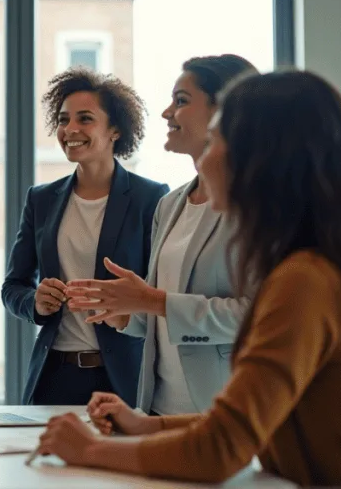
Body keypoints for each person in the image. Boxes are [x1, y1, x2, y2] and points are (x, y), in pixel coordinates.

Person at [38, 70, 341, 486]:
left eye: (220, 140)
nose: (205, 158)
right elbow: (251, 418)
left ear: (262, 160)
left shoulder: (307, 280)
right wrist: (145, 425)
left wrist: (89, 450)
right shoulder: (312, 269)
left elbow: (219, 450)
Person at [63, 55, 258, 414]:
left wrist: (152, 300)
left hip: (223, 414)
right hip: (158, 409)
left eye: (181, 101)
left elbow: (259, 317)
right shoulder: (171, 205)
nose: (167, 113)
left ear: (225, 111)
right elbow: (160, 318)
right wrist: (124, 313)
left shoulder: (256, 204)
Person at [2, 67, 168, 406]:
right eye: (63, 120)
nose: (70, 130)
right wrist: (34, 301)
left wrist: (125, 311)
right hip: (53, 376)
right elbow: (12, 287)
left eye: (85, 119)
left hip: (121, 378)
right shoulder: (41, 199)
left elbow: (163, 297)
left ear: (115, 130)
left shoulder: (150, 199)